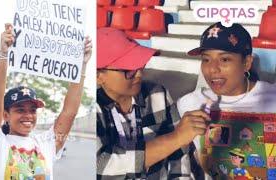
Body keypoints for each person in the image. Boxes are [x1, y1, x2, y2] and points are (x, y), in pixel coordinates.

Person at [0, 24, 92, 180]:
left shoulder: (45, 143)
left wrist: (81, 65)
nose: (28, 115)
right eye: (20, 110)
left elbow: (69, 113)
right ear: (5, 115)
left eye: (32, 110)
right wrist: (4, 54)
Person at [96, 27, 211, 179]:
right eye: (128, 70)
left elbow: (179, 157)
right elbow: (101, 164)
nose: (139, 74)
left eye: (140, 65)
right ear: (98, 76)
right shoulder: (91, 109)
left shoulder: (158, 94)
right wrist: (176, 138)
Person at [177, 22, 276, 178]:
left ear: (247, 63)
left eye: (224, 60)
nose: (212, 69)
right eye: (206, 59)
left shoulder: (272, 98)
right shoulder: (189, 104)